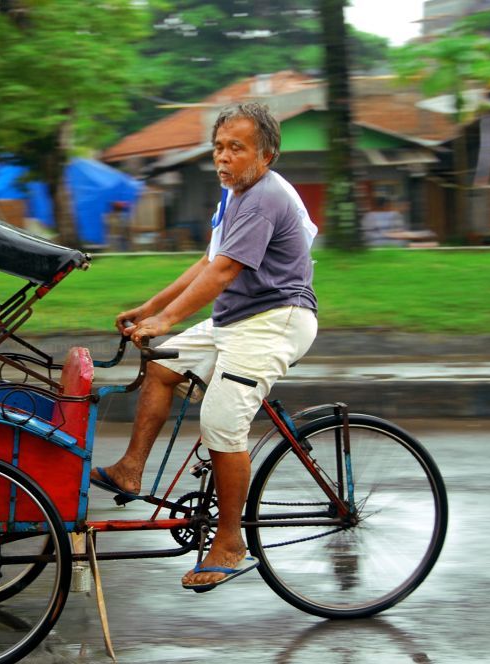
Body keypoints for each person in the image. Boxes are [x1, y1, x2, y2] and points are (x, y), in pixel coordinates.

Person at [89, 102, 318, 593]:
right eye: (218, 147)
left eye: (237, 148)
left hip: (276, 319)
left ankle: (232, 543)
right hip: (238, 320)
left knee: (220, 423)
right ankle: (131, 471)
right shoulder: (235, 194)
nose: (223, 157)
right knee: (162, 367)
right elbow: (206, 260)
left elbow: (223, 272)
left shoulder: (262, 197)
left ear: (267, 155)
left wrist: (166, 319)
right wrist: (150, 307)